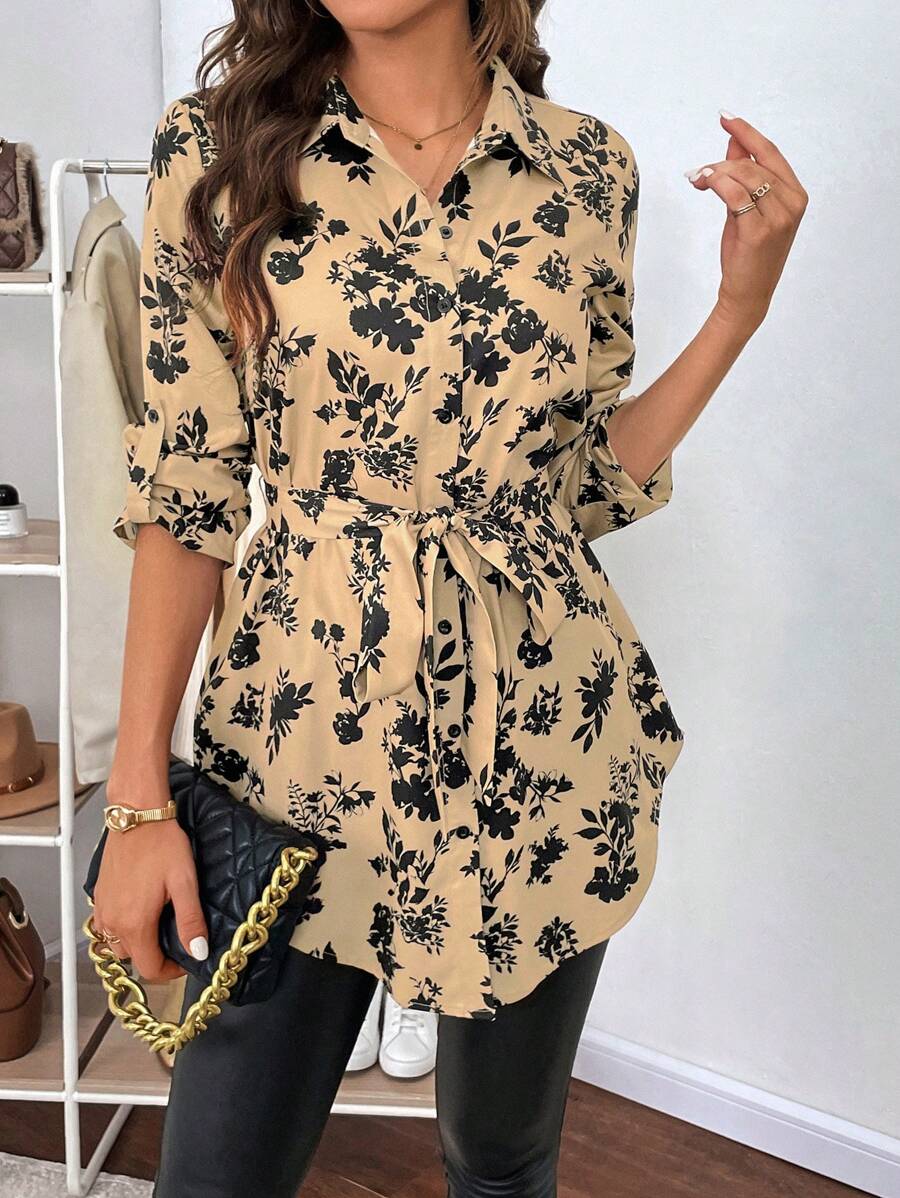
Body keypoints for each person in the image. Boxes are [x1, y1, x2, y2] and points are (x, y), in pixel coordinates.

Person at [89, 2, 807, 1195]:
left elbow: (579, 488)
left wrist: (741, 308)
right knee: (217, 1176)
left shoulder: (588, 169)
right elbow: (185, 488)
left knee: (502, 1162)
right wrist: (136, 803)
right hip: (297, 748)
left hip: (538, 746)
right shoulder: (218, 152)